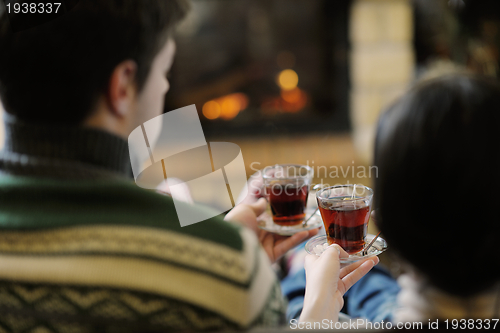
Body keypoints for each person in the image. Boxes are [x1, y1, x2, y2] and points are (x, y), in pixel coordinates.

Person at [0, 1, 376, 331]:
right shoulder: (225, 268)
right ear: (123, 87)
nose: (165, 90)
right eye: (165, 73)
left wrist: (225, 247)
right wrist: (315, 318)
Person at [283, 73, 500, 326]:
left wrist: (314, 315)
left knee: (313, 290)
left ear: (381, 224)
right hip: (395, 302)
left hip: (386, 312)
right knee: (370, 284)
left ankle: (301, 254)